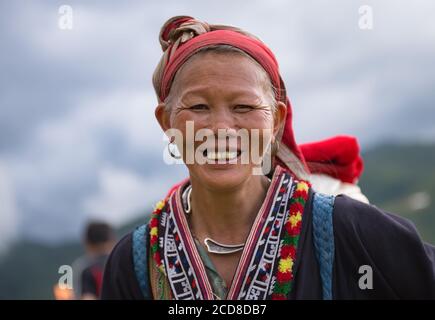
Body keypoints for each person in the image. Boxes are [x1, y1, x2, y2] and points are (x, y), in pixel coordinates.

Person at [101, 16, 435, 300]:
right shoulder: (136, 260)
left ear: (275, 120)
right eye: (198, 107)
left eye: (244, 107)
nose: (220, 128)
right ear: (166, 121)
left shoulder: (349, 232)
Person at [73, 221, 115, 300]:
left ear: (88, 243)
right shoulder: (121, 263)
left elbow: (88, 297)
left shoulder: (85, 268)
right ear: (111, 240)